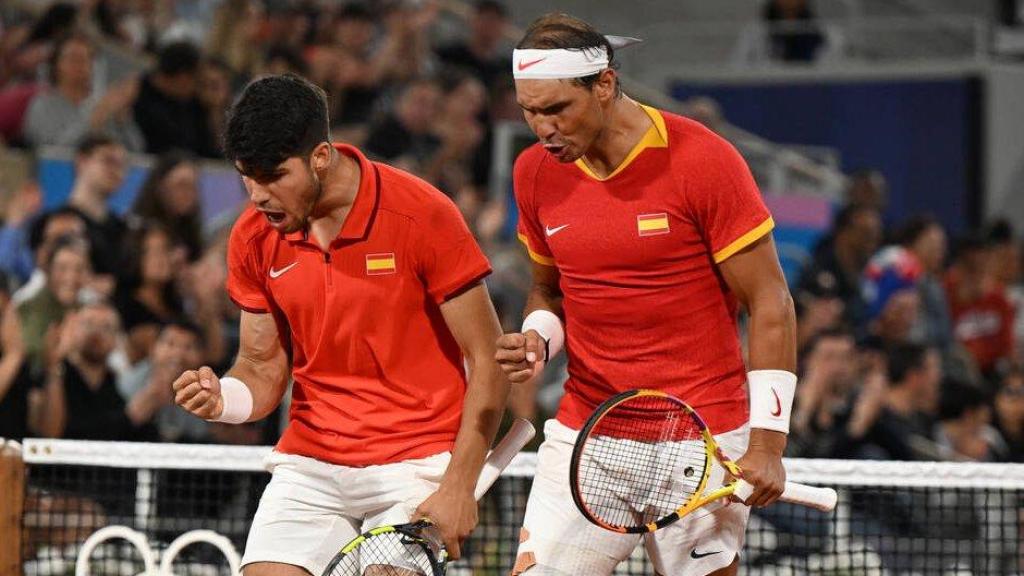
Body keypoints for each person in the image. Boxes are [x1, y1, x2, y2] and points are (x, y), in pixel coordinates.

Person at [495, 14, 796, 576]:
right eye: (529, 112)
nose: (543, 129)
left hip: (701, 436)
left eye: (557, 109)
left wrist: (768, 444)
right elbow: (548, 289)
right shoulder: (533, 172)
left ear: (604, 85)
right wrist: (537, 337)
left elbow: (771, 302)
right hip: (588, 432)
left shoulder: (703, 160)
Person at [172, 74, 508, 576]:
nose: (259, 195)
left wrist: (458, 487)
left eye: (273, 175)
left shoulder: (422, 214)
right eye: (248, 176)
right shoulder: (252, 237)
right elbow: (262, 367)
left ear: (321, 158)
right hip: (312, 462)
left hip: (416, 463)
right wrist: (225, 398)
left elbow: (489, 358)